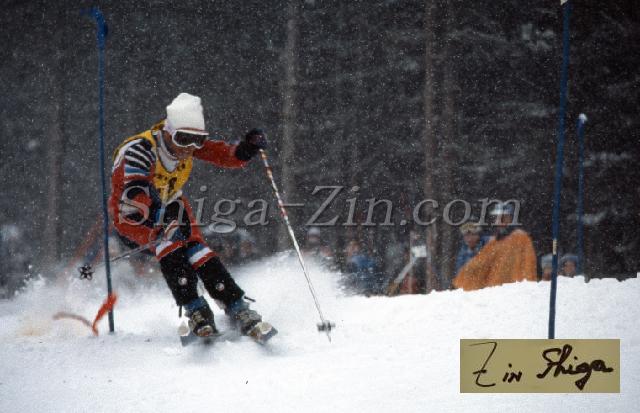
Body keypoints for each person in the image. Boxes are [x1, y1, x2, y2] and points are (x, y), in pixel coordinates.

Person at [109, 93, 270, 338]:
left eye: (197, 140)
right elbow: (135, 194)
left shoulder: (188, 143)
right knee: (170, 244)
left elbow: (222, 153)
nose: (189, 148)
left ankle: (236, 305)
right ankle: (195, 309)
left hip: (170, 202)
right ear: (168, 132)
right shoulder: (140, 150)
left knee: (197, 248)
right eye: (183, 139)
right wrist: (162, 218)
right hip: (132, 214)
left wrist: (246, 149)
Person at [452, 202, 537, 291]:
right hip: (494, 291)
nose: (498, 222)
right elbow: (480, 264)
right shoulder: (494, 242)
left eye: (502, 218)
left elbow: (528, 266)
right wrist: (464, 276)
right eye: (496, 218)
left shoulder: (520, 238)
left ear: (511, 219)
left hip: (514, 291)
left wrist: (525, 288)